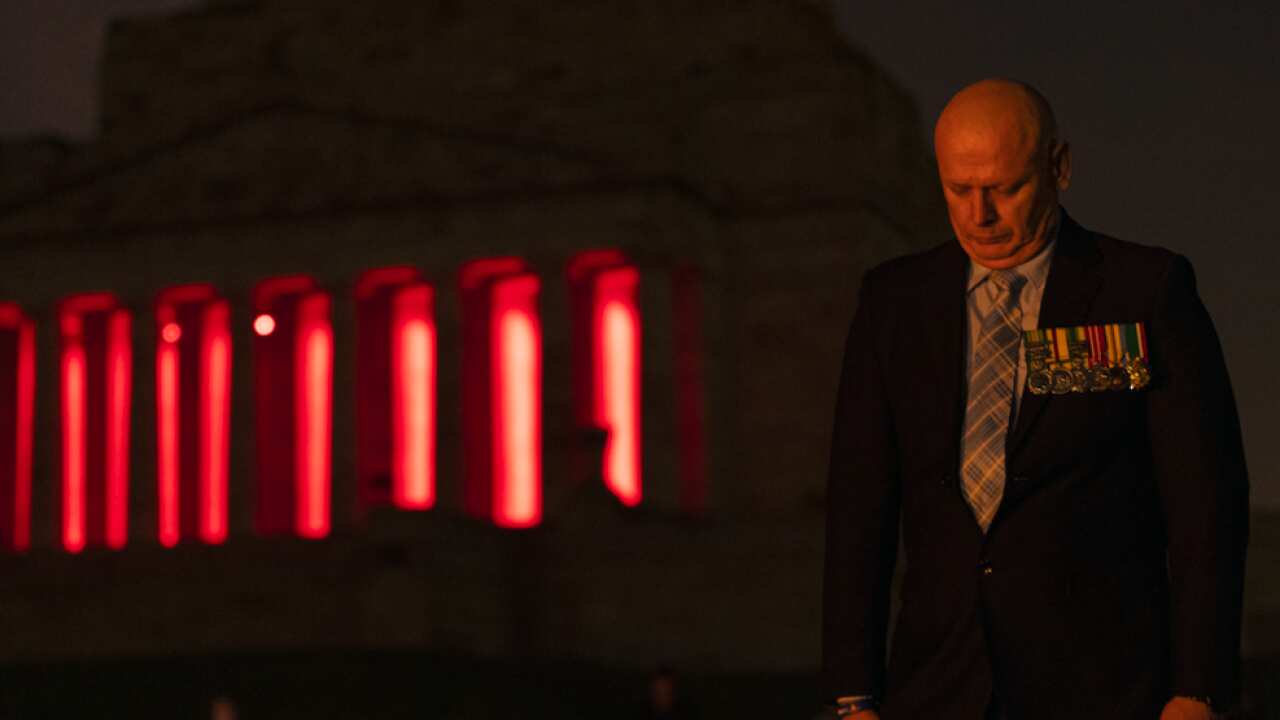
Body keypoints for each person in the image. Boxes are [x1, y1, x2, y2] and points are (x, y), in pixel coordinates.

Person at [820, 78, 1249, 719]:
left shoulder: (1143, 290)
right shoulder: (892, 302)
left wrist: (1198, 689)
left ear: (1060, 168)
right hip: (938, 687)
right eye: (958, 190)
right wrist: (851, 696)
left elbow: (1204, 504)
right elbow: (859, 508)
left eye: (1005, 188)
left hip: (1107, 687)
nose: (979, 215)